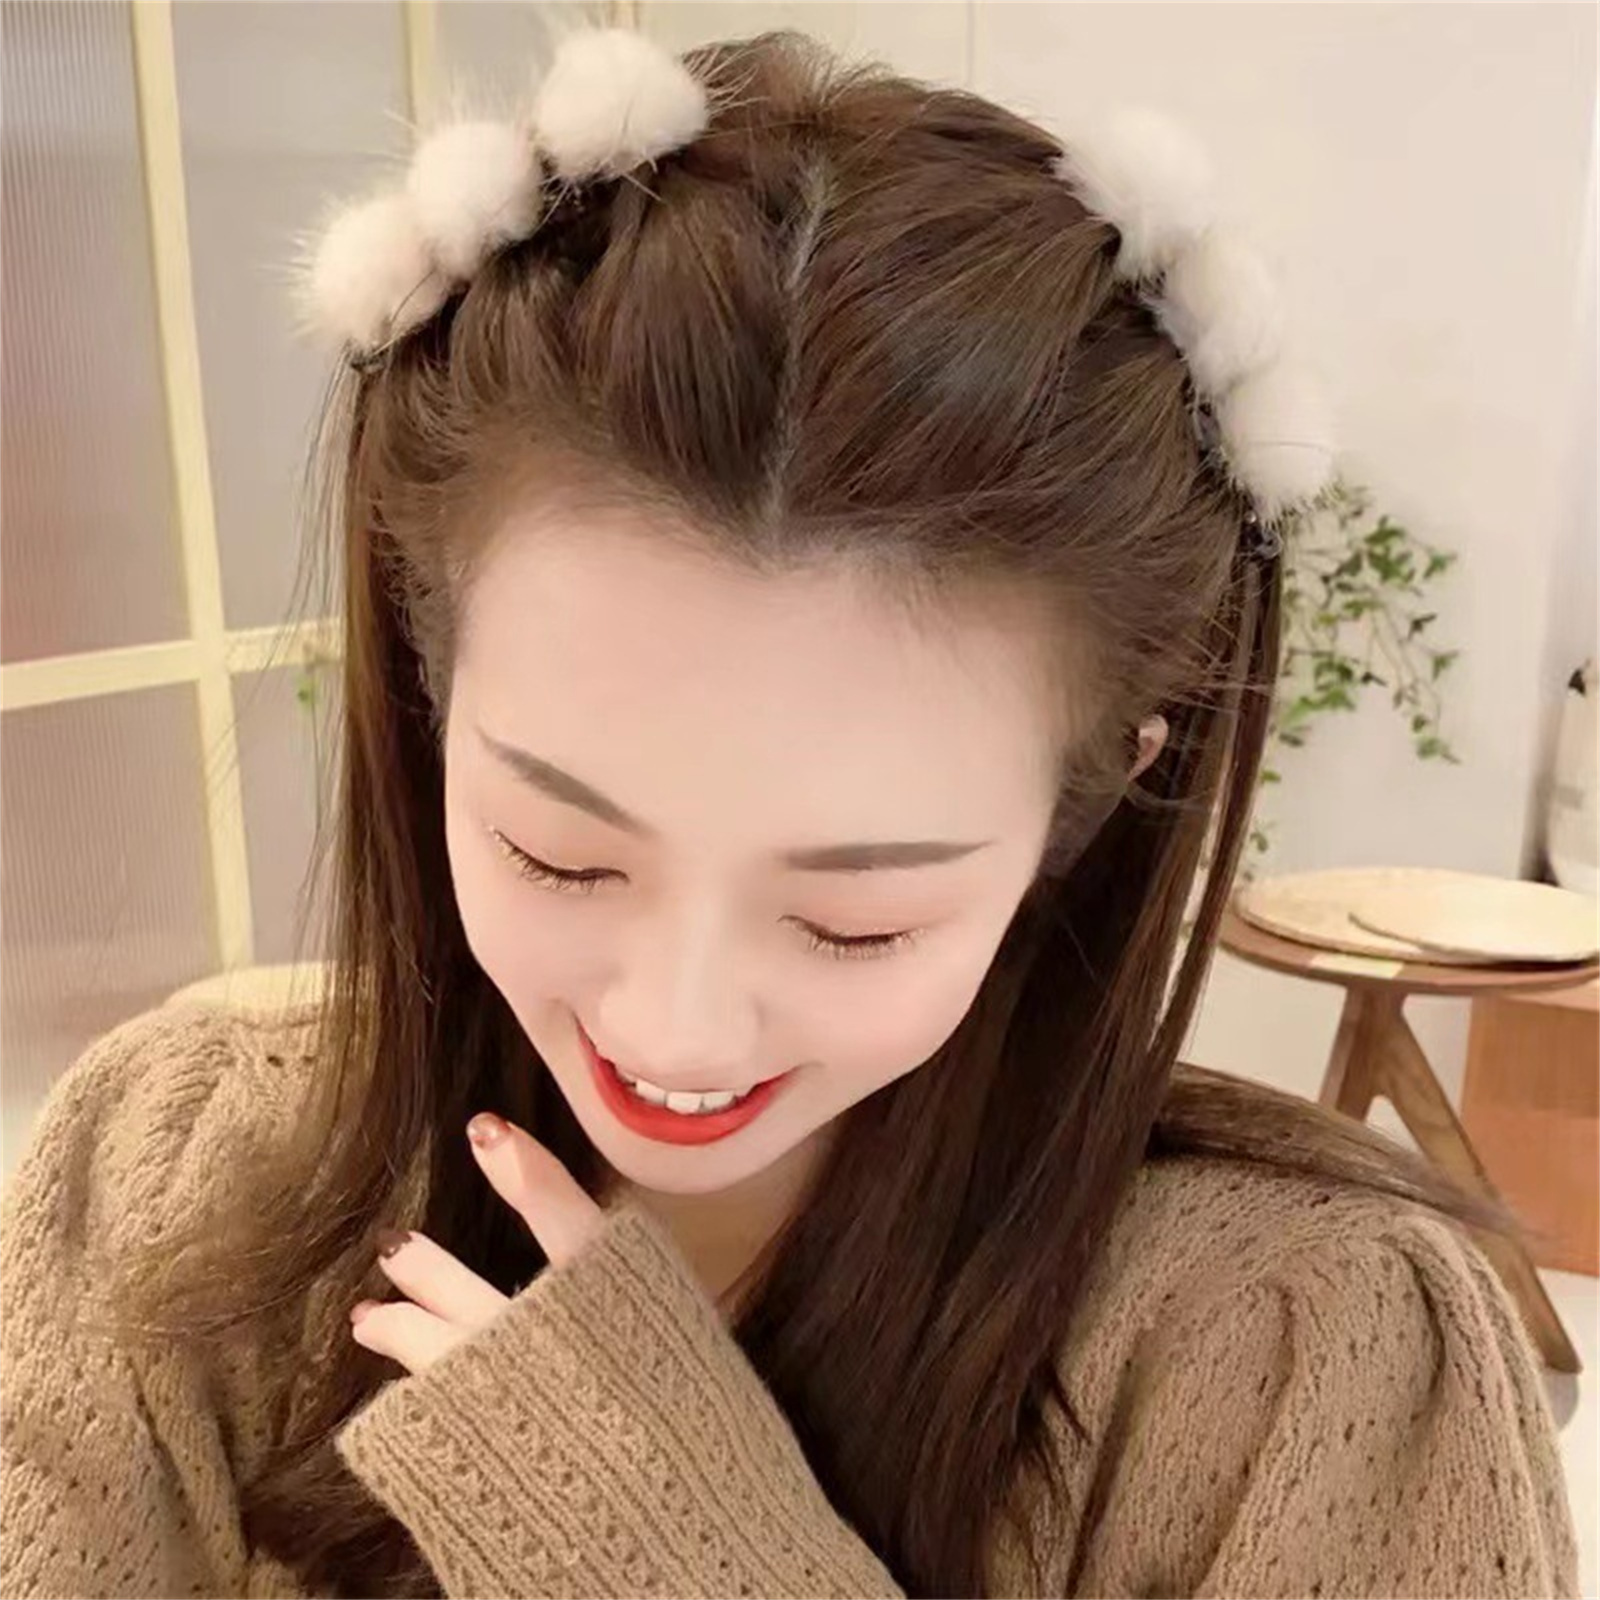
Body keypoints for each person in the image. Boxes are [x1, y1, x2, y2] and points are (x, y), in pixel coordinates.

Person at [0, 26, 1579, 1600]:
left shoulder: (1311, 1355)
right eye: (562, 854)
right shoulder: (174, 1173)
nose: (675, 1030)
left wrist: (686, 1556)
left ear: (1090, 801)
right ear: (429, 696)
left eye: (852, 920)